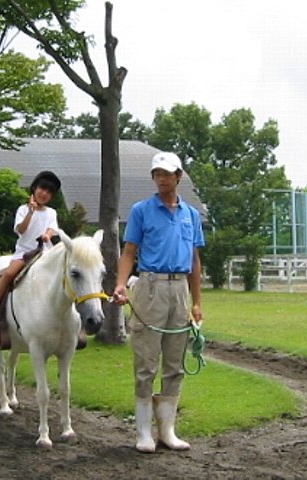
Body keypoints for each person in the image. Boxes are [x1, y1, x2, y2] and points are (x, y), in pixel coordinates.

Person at [113, 151, 205, 453]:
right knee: (146, 362)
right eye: (157, 174)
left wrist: (196, 302)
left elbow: (194, 260)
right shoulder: (141, 211)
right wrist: (120, 285)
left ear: (179, 176)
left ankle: (167, 431)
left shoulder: (191, 215)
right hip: (150, 285)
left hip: (179, 289)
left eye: (167, 174)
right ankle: (143, 432)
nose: (162, 179)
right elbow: (129, 251)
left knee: (175, 363)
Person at [0, 171, 61, 328]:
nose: (44, 194)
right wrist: (30, 213)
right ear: (34, 188)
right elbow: (21, 229)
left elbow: (52, 228)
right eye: (42, 189)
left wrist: (47, 235)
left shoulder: (51, 212)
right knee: (9, 274)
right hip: (25, 252)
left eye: (49, 192)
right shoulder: (23, 209)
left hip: (45, 252)